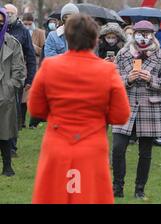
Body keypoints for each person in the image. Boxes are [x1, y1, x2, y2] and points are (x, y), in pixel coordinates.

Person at [28, 14, 130, 204]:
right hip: (92, 146)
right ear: (95, 40)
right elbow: (121, 115)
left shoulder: (50, 66)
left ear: (67, 37)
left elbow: (36, 109)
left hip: (57, 143)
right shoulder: (107, 71)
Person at [112, 21, 161, 200]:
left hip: (149, 107)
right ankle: (118, 187)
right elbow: (113, 81)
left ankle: (139, 190)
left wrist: (151, 79)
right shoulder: (123, 53)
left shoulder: (160, 55)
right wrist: (127, 79)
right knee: (118, 148)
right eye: (139, 33)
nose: (142, 36)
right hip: (125, 105)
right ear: (134, 34)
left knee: (145, 152)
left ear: (153, 35)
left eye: (147, 33)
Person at [5, 4, 36, 156]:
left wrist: (30, 78)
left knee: (13, 112)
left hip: (15, 77)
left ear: (16, 15)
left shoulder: (23, 31)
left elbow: (30, 55)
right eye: (6, 13)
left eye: (11, 13)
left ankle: (12, 146)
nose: (8, 15)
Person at [0, 8, 26, 177]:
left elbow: (19, 69)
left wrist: (9, 87)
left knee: (5, 132)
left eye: (2, 20)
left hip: (4, 93)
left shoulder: (13, 43)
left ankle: (7, 166)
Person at [21, 12, 46, 129]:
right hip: (21, 65)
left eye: (29, 24)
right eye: (25, 24)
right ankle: (21, 122)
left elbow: (44, 51)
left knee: (32, 94)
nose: (27, 26)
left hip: (34, 66)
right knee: (22, 97)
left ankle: (33, 122)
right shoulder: (20, 31)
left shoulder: (40, 33)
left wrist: (33, 47)